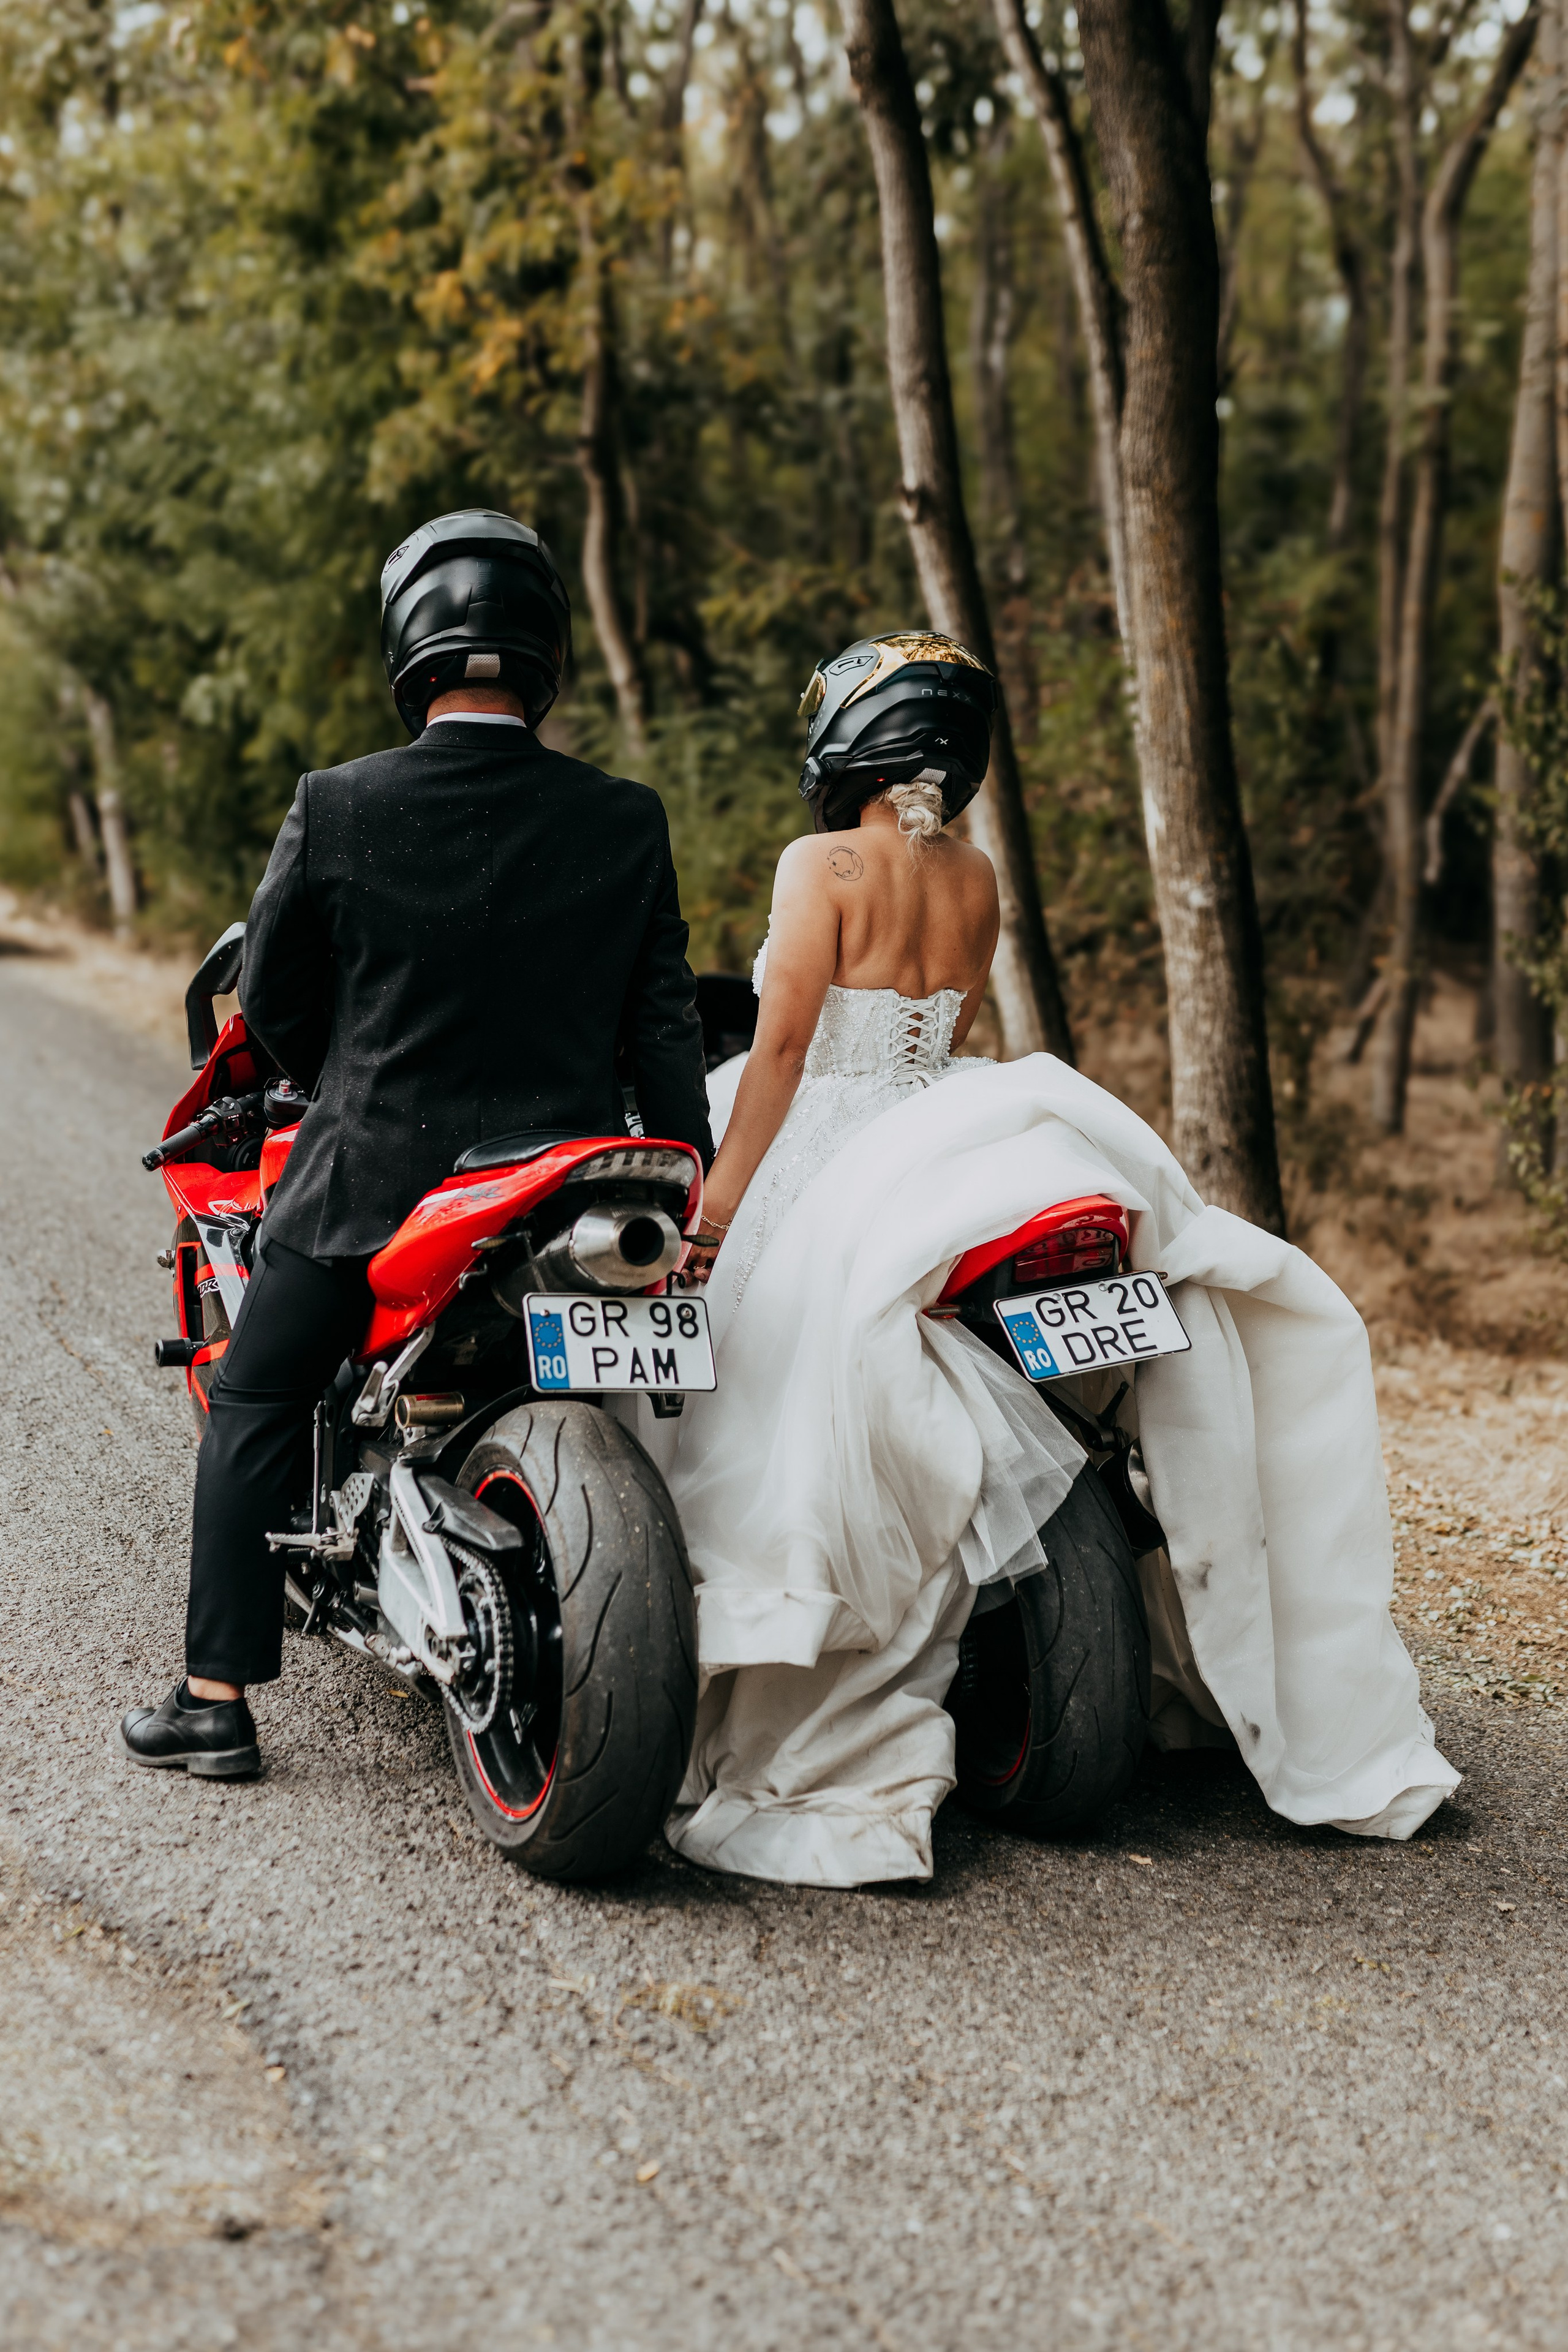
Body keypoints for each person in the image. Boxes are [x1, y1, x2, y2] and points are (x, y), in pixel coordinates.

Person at [659, 630, 1458, 1888]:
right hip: (941, 1133)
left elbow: (782, 1053)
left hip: (821, 1149)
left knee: (740, 1388)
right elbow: (943, 1034)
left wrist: (718, 1211)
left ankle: (732, 1635)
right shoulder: (974, 877)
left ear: (846, 744)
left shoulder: (820, 863)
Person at [122, 508, 712, 1779]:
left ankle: (214, 1699)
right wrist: (684, 1179)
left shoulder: (338, 803)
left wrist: (333, 1070)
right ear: (546, 650)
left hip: (372, 1190)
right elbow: (664, 1026)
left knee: (255, 1394)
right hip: (566, 1196)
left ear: (411, 647)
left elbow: (273, 1006)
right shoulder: (624, 816)